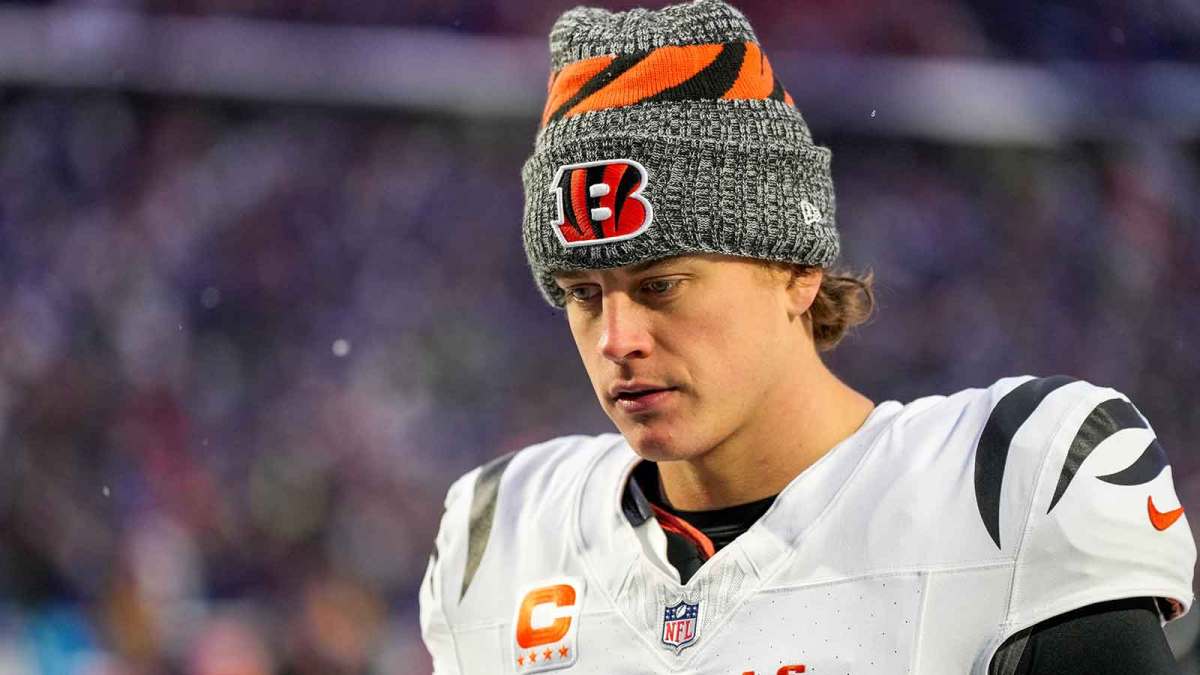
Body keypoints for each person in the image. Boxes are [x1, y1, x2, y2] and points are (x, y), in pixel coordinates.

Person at [418, 1, 1196, 673]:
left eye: (661, 285)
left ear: (797, 268)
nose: (617, 338)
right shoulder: (497, 535)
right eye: (584, 294)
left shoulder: (1009, 483)